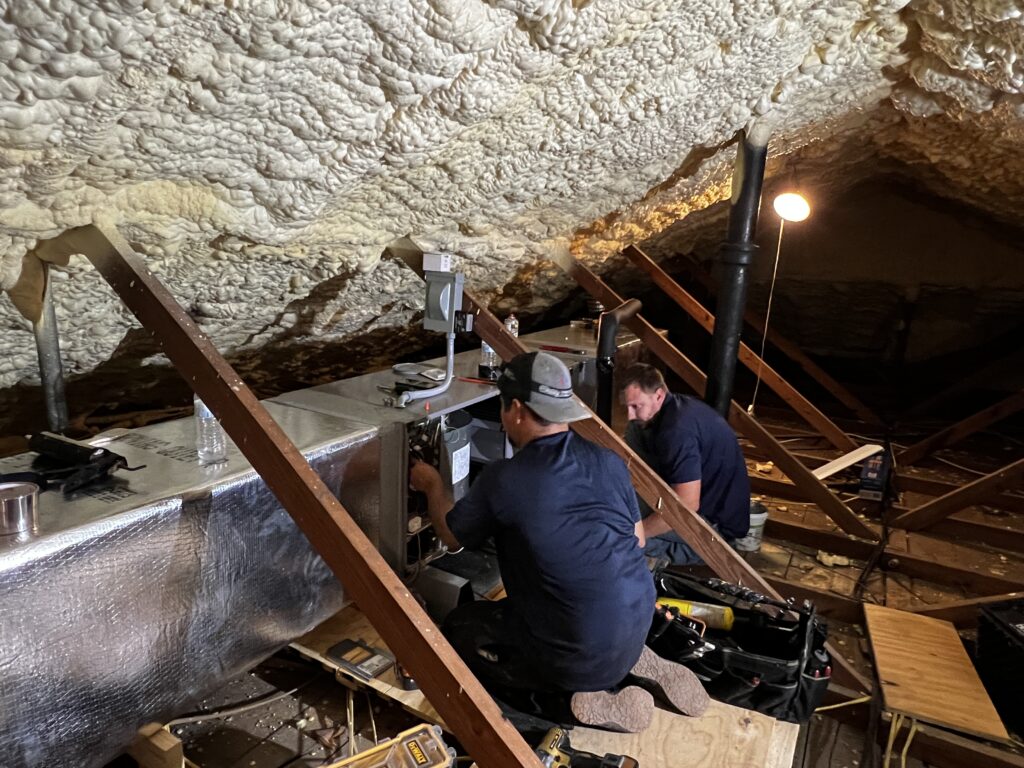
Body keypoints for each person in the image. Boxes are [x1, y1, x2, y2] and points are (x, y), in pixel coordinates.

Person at [410, 351, 708, 733]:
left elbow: (452, 538)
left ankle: (574, 700)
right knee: (580, 617)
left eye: (502, 408)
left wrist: (433, 484)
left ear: (516, 409)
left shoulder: (505, 479)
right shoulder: (609, 460)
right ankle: (630, 660)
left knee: (461, 628)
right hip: (637, 619)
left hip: (575, 652)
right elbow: (635, 539)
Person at [620, 363, 750, 565]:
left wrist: (635, 534)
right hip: (706, 506)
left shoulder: (677, 432)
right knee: (616, 505)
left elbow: (687, 506)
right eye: (627, 406)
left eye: (636, 406)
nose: (630, 414)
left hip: (716, 528)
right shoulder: (673, 409)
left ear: (659, 396)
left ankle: (702, 552)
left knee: (616, 529)